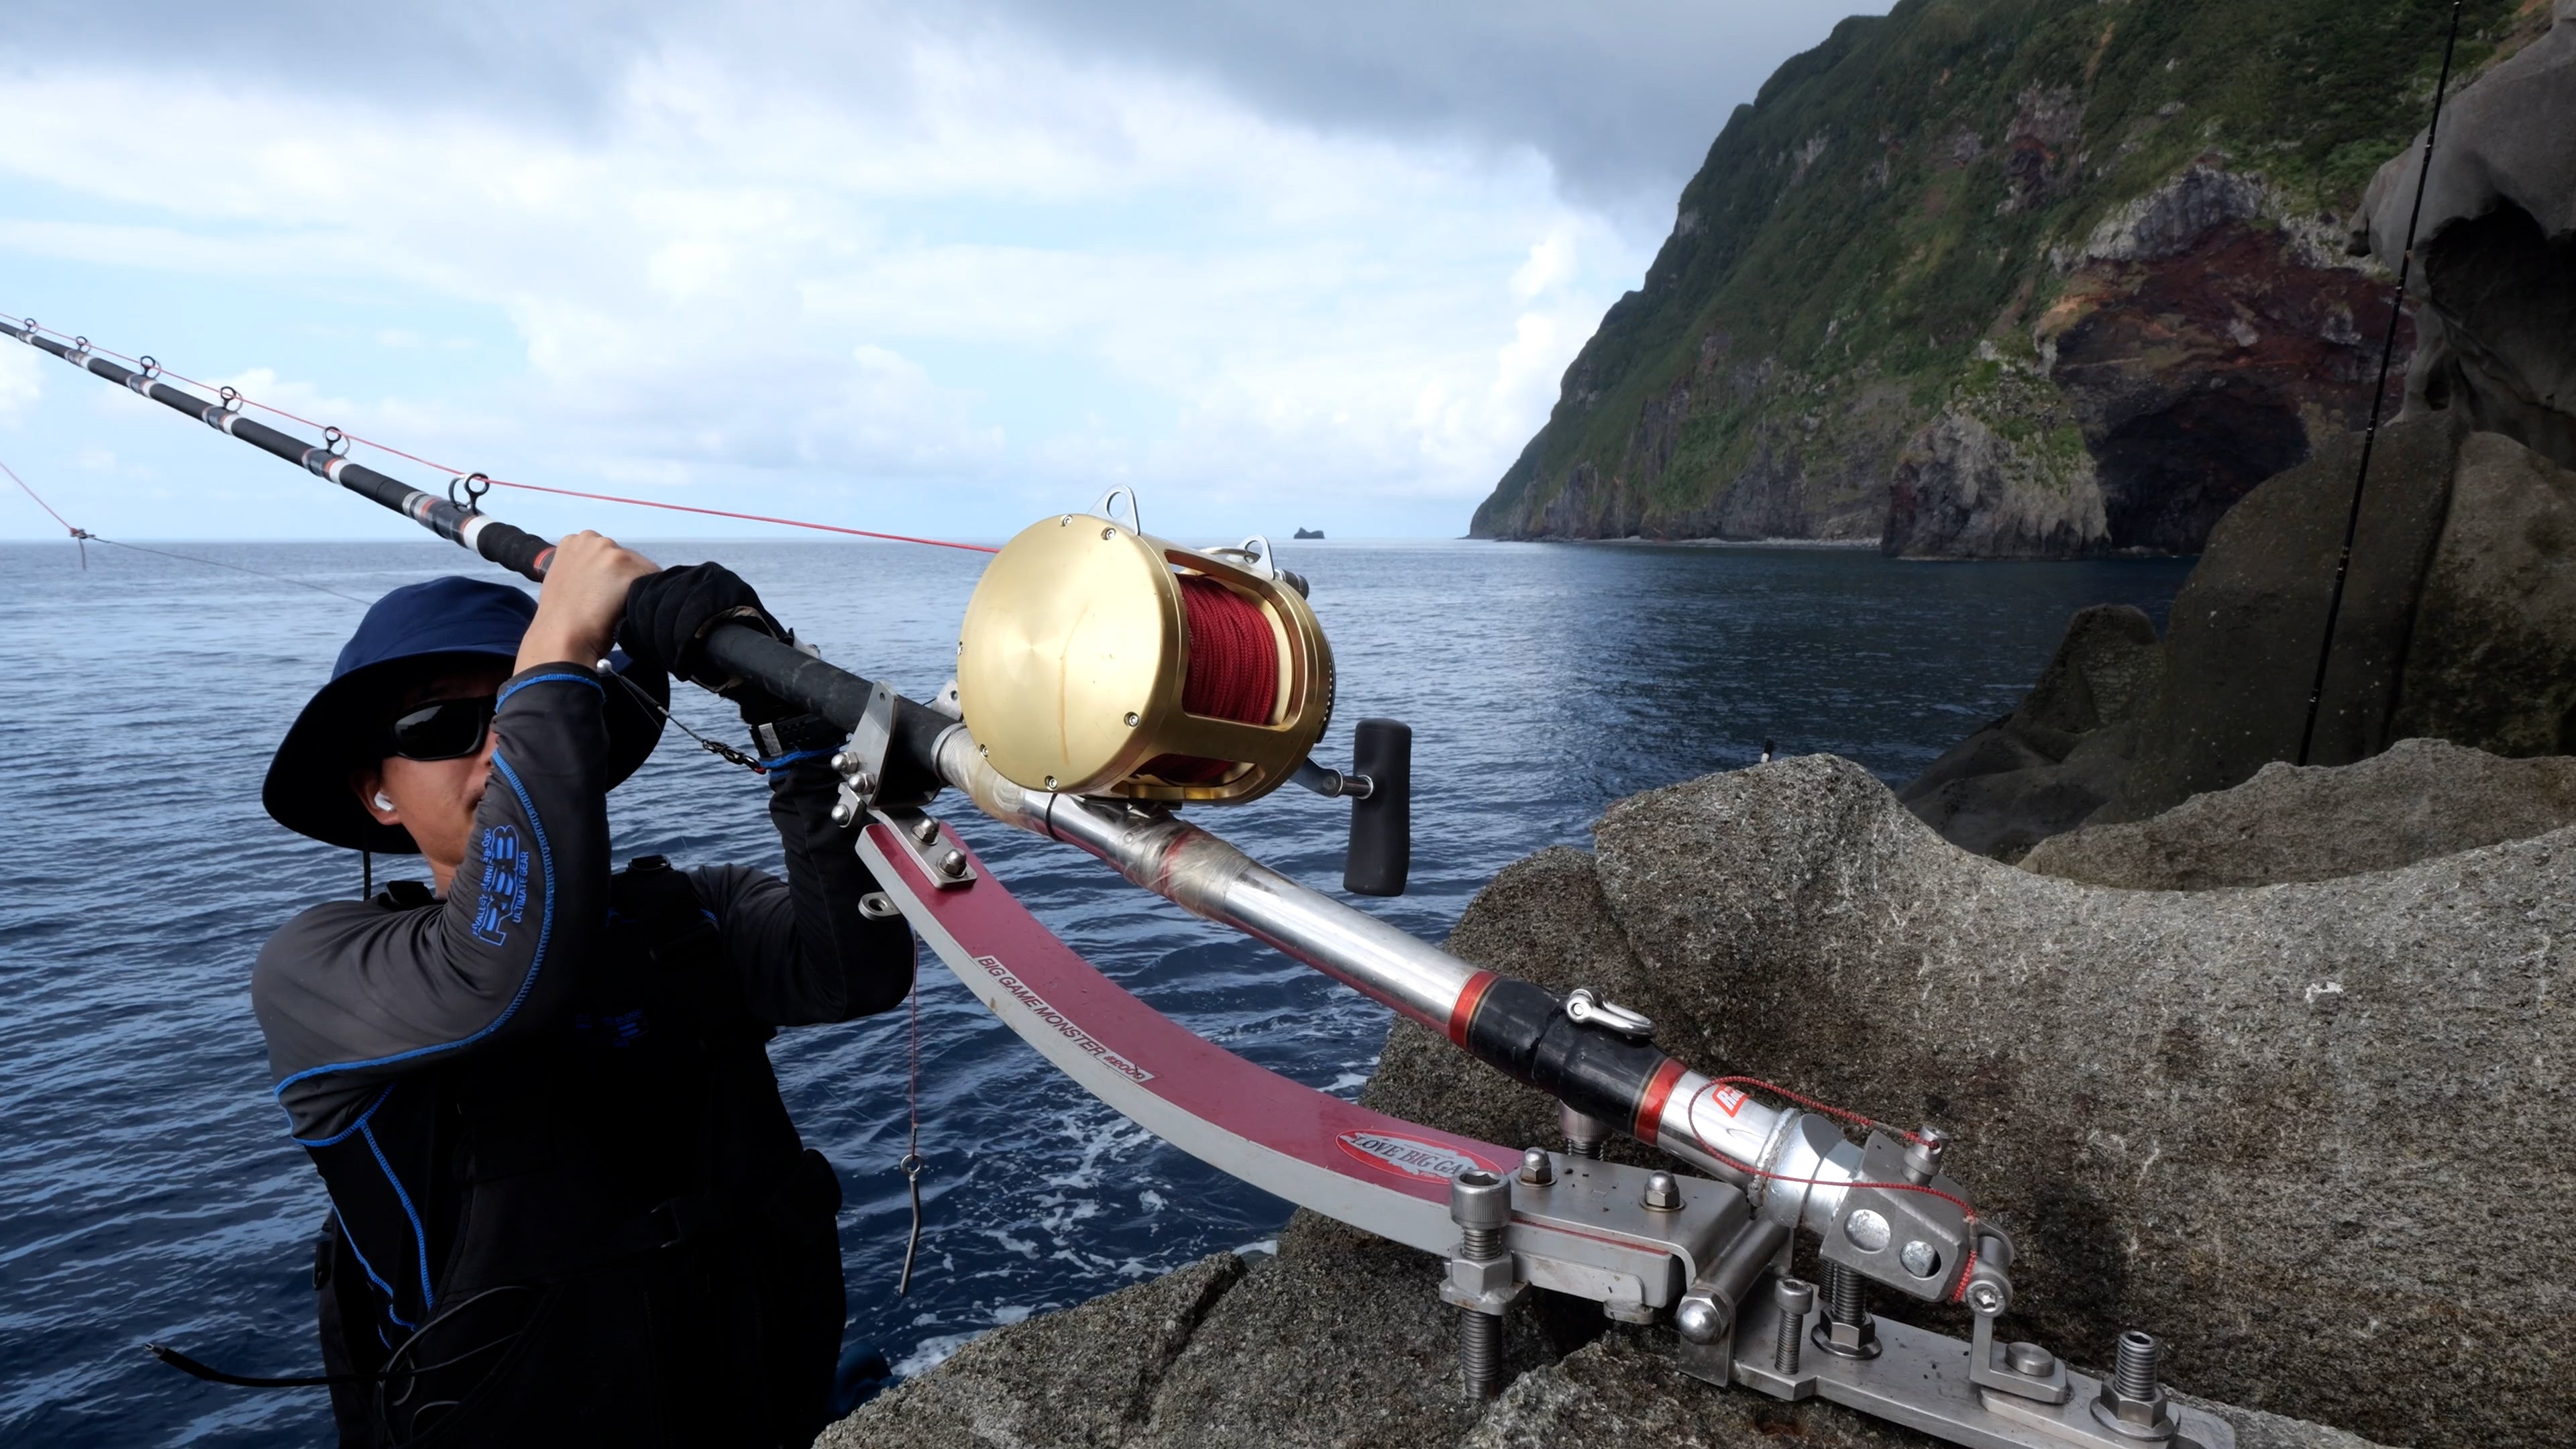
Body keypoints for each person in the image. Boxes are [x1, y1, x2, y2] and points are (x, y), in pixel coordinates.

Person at [251, 533, 914, 1447]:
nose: (493, 747)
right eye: (441, 728)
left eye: (514, 712)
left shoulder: (689, 916)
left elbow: (859, 970)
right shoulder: (317, 969)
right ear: (378, 794)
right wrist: (558, 653)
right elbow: (502, 968)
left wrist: (790, 724)